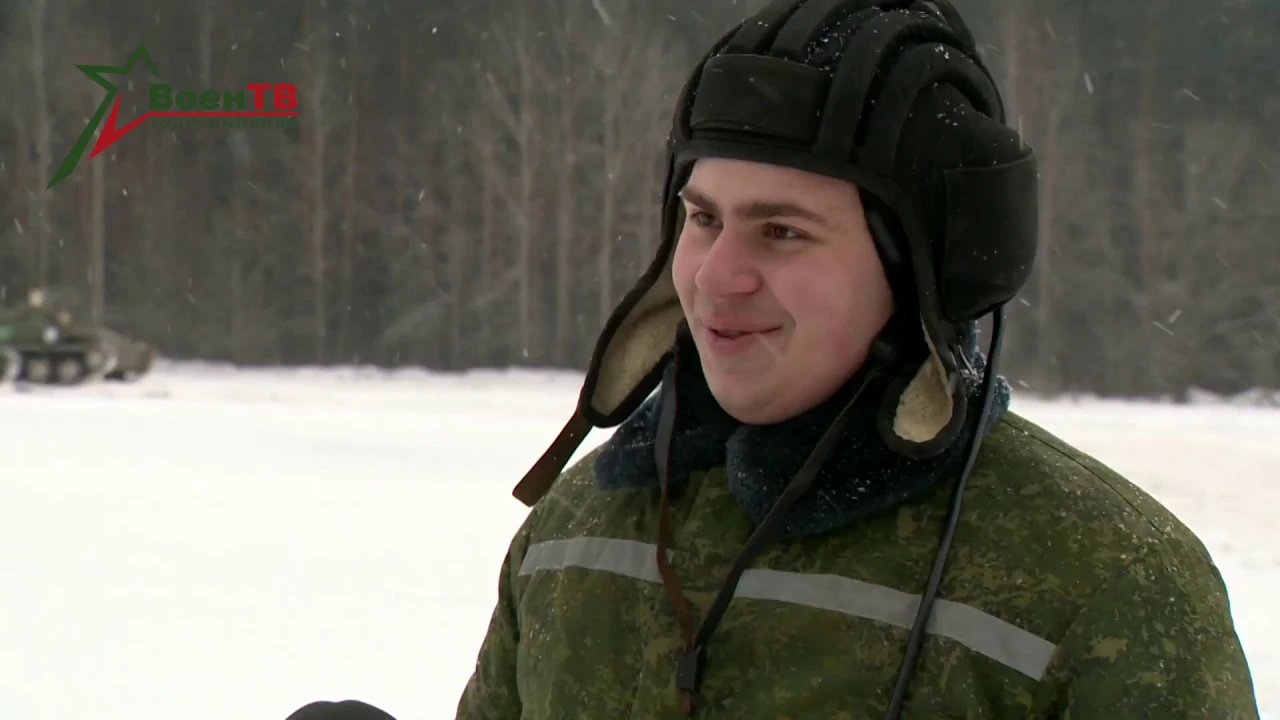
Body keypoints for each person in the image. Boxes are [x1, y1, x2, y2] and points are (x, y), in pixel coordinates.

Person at [290, 1, 1261, 718]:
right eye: (702, 218)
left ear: (922, 267)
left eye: (783, 231)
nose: (717, 277)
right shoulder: (577, 531)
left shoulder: (1103, 585)